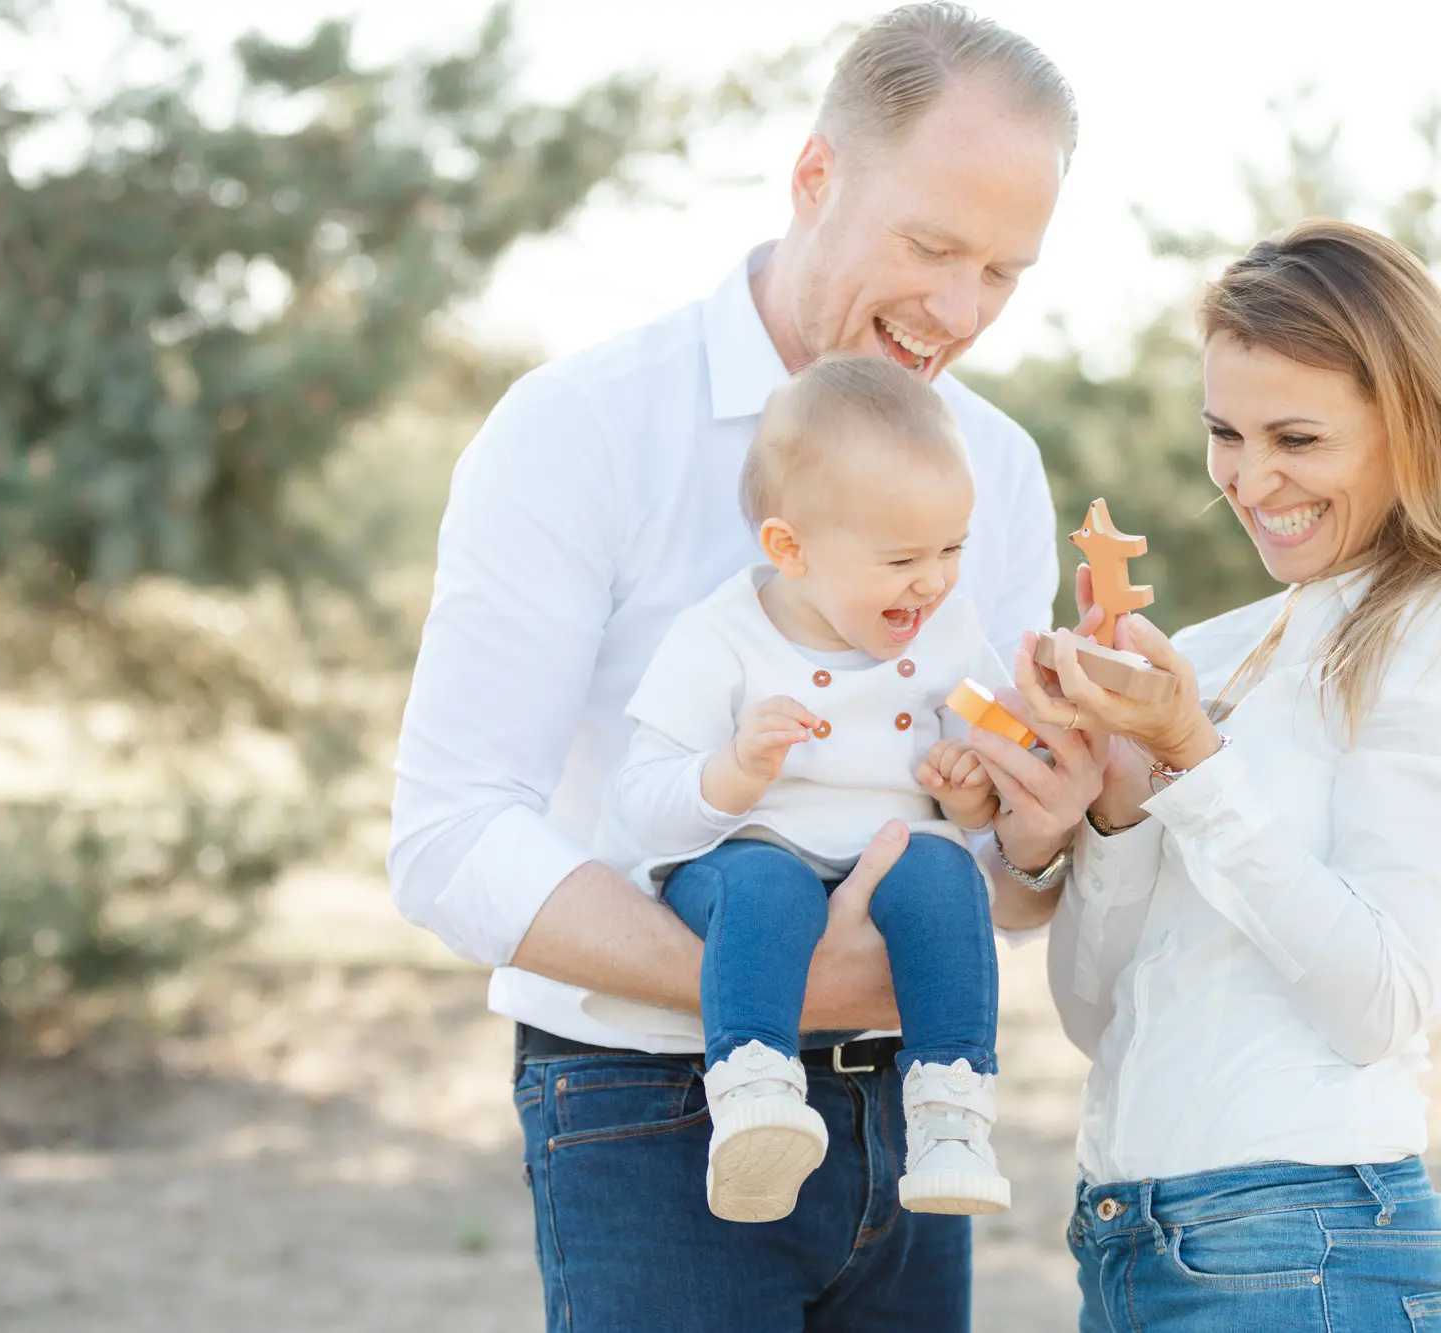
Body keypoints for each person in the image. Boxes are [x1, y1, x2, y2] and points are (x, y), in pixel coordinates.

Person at [386, 6, 1084, 1329]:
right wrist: (765, 985)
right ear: (814, 178)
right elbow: (450, 833)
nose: (957, 312)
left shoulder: (996, 467)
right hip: (648, 1110)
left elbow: (994, 866)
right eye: (933, 244)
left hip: (917, 1114)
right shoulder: (581, 427)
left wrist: (1041, 844)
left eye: (1003, 272)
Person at [960, 218, 1441, 1333]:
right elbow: (1102, 1019)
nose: (1250, 481)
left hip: (1307, 1248)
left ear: (1413, 426)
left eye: (1297, 437)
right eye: (1224, 434)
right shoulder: (1207, 653)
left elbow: (1377, 1000)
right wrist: (1105, 809)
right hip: (1131, 1239)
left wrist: (1192, 760)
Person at [604, 355, 1028, 1224]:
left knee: (950, 883)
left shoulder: (946, 628)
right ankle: (755, 1092)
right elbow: (641, 804)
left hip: (897, 849)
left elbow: (981, 787)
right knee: (768, 888)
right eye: (904, 557)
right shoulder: (719, 637)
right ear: (789, 549)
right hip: (752, 849)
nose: (936, 580)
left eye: (953, 548)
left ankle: (952, 1117)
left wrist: (967, 788)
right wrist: (734, 772)